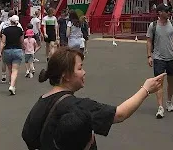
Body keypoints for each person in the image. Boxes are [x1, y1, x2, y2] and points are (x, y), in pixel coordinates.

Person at [22, 47, 164, 150]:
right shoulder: (77, 107)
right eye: (80, 68)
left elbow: (28, 137)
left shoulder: (40, 103)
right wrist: (146, 89)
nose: (84, 72)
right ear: (65, 75)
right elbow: (120, 114)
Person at [145, 5, 173, 118]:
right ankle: (160, 107)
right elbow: (149, 41)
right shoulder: (153, 25)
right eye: (166, 11)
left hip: (171, 56)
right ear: (160, 12)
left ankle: (169, 102)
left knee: (171, 81)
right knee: (159, 82)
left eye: (169, 11)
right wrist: (149, 56)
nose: (169, 12)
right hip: (159, 57)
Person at [0, 14, 25, 95]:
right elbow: (21, 41)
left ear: (10, 21)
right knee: (15, 70)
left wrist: (0, 52)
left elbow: (3, 42)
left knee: (10, 69)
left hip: (7, 51)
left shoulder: (5, 30)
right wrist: (23, 49)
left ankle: (11, 84)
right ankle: (12, 85)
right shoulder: (19, 30)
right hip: (17, 50)